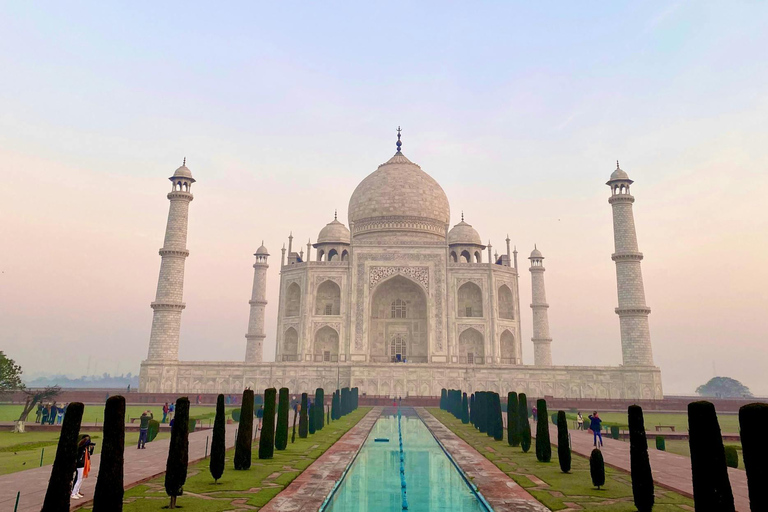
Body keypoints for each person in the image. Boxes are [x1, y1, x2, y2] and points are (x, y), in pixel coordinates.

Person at [71, 435, 94, 500]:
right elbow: (80, 456)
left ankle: (77, 491)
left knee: (82, 478)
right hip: (80, 465)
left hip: (84, 464)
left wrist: (91, 449)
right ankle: (73, 493)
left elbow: (89, 454)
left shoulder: (85, 449)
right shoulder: (81, 448)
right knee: (79, 479)